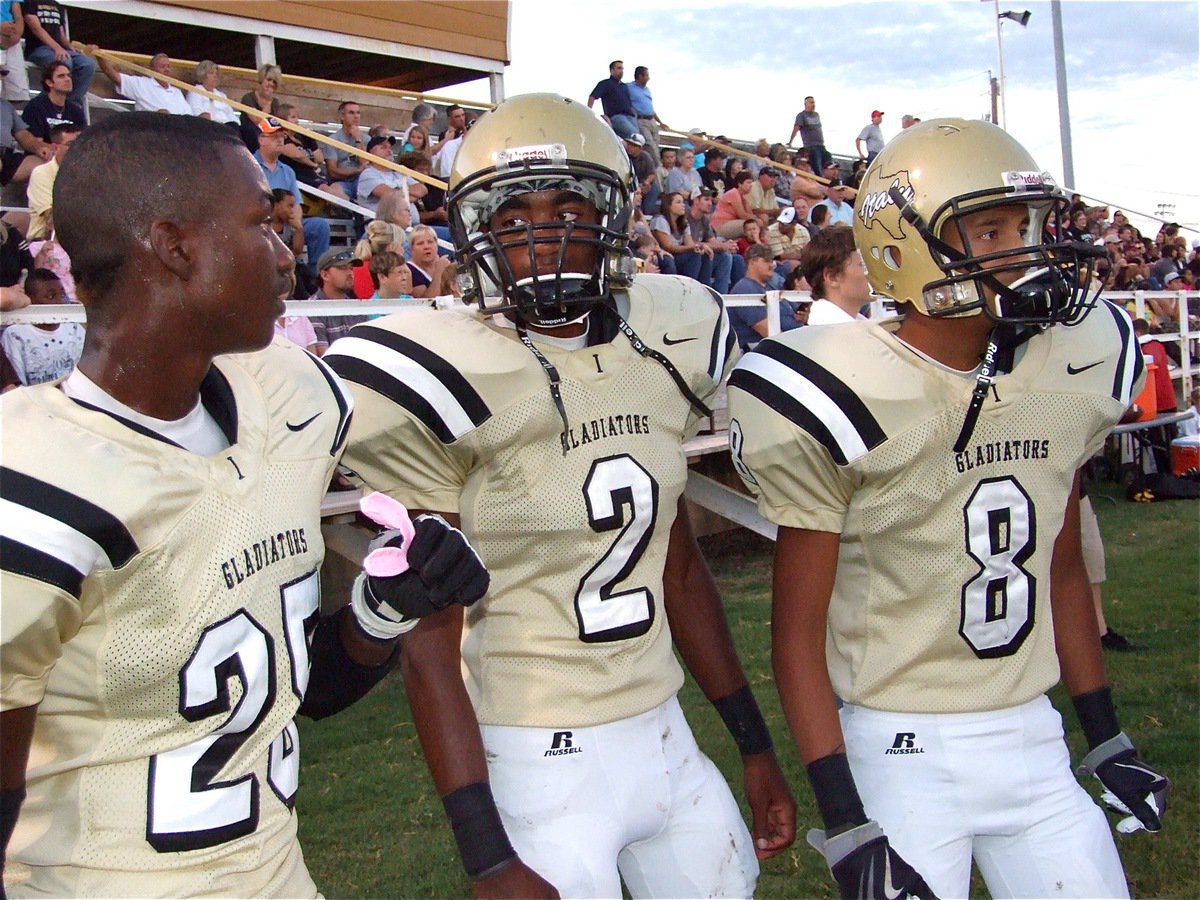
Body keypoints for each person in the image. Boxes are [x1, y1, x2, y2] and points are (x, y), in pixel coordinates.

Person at [0, 111, 489, 898]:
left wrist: (387, 609)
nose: (286, 253)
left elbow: (287, 691)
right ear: (175, 246)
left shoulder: (289, 399)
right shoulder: (35, 472)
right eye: (262, 224)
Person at [324, 92, 796, 899]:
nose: (543, 237)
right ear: (479, 233)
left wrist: (753, 744)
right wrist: (487, 858)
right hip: (536, 751)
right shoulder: (448, 367)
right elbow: (430, 642)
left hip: (664, 731)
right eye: (515, 219)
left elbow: (677, 568)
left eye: (568, 211)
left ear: (611, 216)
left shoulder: (666, 336)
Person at [728, 118, 1170, 899]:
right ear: (905, 251)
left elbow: (1063, 570)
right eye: (991, 231)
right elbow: (796, 632)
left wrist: (1104, 735)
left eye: (1026, 228)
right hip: (902, 750)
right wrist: (846, 816)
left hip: (1034, 737)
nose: (1024, 252)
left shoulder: (1066, 370)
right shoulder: (842, 385)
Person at [253, 115, 330, 281]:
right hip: (263, 223)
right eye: (274, 136)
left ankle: (317, 275)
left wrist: (296, 223)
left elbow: (297, 204)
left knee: (320, 226)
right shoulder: (250, 166)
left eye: (282, 136)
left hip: (287, 221)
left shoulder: (288, 171)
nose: (280, 140)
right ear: (261, 139)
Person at [0, 267, 79, 387]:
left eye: (62, 294)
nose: (60, 301)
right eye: (51, 296)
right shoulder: (16, 335)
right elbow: (17, 389)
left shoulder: (74, 328)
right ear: (31, 299)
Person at [23, 1, 95, 112]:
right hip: (38, 48)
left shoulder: (57, 5)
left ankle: (70, 106)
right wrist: (57, 47)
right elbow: (36, 28)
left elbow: (60, 32)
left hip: (58, 49)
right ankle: (44, 103)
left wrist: (70, 47)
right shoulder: (30, 2)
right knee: (64, 62)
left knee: (88, 64)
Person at [797, 224, 870, 325]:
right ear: (832, 277)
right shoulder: (828, 332)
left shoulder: (857, 327)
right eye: (864, 264)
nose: (875, 270)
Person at [95, 51, 192, 116]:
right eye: (162, 67)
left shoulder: (177, 92)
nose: (166, 70)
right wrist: (100, 57)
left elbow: (189, 116)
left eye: (168, 66)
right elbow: (113, 75)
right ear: (152, 70)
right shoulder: (141, 84)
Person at [25, 120, 77, 240]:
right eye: (70, 144)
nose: (77, 148)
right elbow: (52, 220)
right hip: (45, 242)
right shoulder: (41, 173)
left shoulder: (88, 174)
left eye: (80, 143)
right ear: (55, 147)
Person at [20, 61, 85, 142]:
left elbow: (83, 142)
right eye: (61, 76)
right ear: (49, 82)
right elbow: (36, 143)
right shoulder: (36, 106)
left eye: (69, 75)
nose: (68, 79)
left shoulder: (76, 110)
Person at [237, 62, 282, 153]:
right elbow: (257, 120)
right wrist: (268, 102)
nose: (271, 84)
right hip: (250, 135)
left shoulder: (275, 103)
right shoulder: (248, 98)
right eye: (269, 80)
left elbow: (276, 124)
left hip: (268, 135)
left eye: (274, 82)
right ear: (262, 79)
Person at [587, 59, 637, 139]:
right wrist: (588, 112)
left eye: (622, 68)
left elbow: (628, 102)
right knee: (634, 136)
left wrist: (634, 113)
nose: (621, 71)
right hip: (616, 117)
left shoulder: (624, 86)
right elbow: (592, 97)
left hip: (630, 117)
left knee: (636, 139)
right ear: (612, 70)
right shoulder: (605, 83)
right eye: (619, 68)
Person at [187, 59, 238, 126]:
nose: (215, 76)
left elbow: (231, 115)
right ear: (202, 75)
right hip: (209, 126)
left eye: (216, 73)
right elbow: (196, 113)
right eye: (211, 73)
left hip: (227, 126)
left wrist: (236, 123)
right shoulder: (195, 92)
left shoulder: (222, 95)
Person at [626, 65, 662, 157]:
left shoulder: (647, 90)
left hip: (652, 120)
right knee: (650, 146)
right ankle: (657, 165)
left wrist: (660, 122)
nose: (648, 78)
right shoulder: (628, 87)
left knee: (656, 145)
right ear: (640, 76)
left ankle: (653, 162)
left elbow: (650, 107)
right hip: (641, 120)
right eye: (647, 75)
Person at [789, 96, 828, 174]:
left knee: (828, 162)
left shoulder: (816, 115)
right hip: (811, 146)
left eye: (814, 102)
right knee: (817, 167)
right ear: (806, 104)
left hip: (821, 145)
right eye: (811, 102)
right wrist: (790, 142)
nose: (813, 104)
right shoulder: (801, 115)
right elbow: (796, 128)